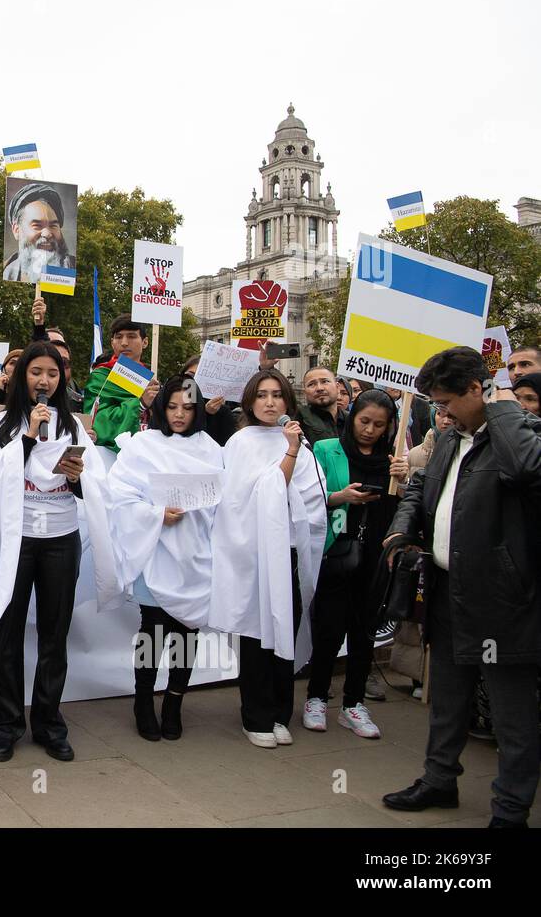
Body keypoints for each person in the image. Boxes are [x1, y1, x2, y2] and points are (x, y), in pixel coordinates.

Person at [381, 347, 540, 827]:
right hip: (449, 590)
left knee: (512, 716)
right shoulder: (451, 438)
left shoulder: (520, 435)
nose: (442, 411)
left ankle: (511, 809)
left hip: (501, 602)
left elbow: (527, 470)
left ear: (478, 389)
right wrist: (402, 527)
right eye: (436, 402)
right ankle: (438, 780)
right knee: (447, 696)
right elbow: (419, 487)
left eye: (449, 400)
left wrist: (505, 405)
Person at [0, 342, 90, 764]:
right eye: (36, 372)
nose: (44, 381)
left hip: (61, 538)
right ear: (22, 375)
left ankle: (48, 722)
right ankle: (5, 724)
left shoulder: (72, 427)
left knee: (54, 634)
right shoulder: (0, 426)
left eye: (52, 374)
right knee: (5, 633)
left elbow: (90, 486)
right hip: (16, 540)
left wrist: (78, 477)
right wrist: (27, 438)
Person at [208, 369, 327, 749]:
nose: (270, 402)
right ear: (250, 400)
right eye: (262, 395)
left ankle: (280, 713)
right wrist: (289, 455)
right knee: (257, 635)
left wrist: (293, 450)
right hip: (252, 555)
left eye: (277, 395)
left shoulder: (299, 443)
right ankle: (255, 715)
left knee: (285, 630)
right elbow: (252, 494)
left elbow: (309, 496)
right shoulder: (240, 442)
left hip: (290, 552)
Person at [107, 375, 223, 741]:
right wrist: (156, 514)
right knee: (152, 633)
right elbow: (120, 495)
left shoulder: (211, 448)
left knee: (188, 634)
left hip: (195, 554)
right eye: (172, 407)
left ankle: (174, 701)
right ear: (161, 407)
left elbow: (225, 499)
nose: (178, 414)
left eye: (187, 408)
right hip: (155, 550)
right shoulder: (143, 445)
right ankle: (143, 701)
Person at [302, 390, 410, 739]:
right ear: (353, 418)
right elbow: (306, 497)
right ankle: (316, 697)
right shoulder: (325, 450)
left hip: (376, 558)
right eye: (364, 421)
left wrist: (405, 481)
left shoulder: (394, 461)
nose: (369, 430)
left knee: (364, 632)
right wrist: (340, 497)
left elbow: (407, 508)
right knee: (329, 629)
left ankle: (353, 703)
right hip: (336, 554)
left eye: (379, 425)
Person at [83, 314, 160, 453]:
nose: (124, 342)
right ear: (112, 342)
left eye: (131, 336)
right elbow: (97, 421)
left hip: (149, 454)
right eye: (119, 337)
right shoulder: (101, 377)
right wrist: (140, 405)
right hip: (110, 458)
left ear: (145, 342)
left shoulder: (152, 381)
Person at [1, 181, 76, 283]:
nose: (47, 233)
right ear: (16, 230)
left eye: (53, 225)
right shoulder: (7, 273)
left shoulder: (73, 270)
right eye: (37, 225)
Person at [180, 353, 238, 446]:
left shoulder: (222, 412)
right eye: (190, 376)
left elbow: (225, 448)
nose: (195, 381)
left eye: (201, 377)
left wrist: (207, 415)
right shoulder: (170, 403)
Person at [295, 366, 346, 444]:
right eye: (311, 384)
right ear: (305, 392)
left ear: (337, 387)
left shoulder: (353, 419)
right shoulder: (298, 418)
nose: (319, 388)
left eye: (325, 381)